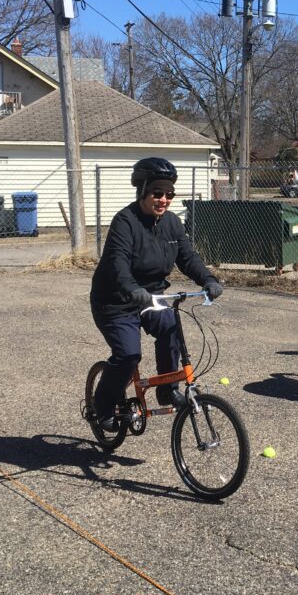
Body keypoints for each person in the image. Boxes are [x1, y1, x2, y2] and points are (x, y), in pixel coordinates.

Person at [89, 157, 223, 430]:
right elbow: (118, 264)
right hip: (116, 300)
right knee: (128, 355)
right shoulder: (125, 222)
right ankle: (101, 406)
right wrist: (131, 290)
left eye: (170, 194)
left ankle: (166, 388)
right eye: (157, 193)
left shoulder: (172, 223)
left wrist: (208, 279)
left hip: (152, 298)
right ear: (143, 191)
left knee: (172, 328)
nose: (164, 199)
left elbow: (188, 257)